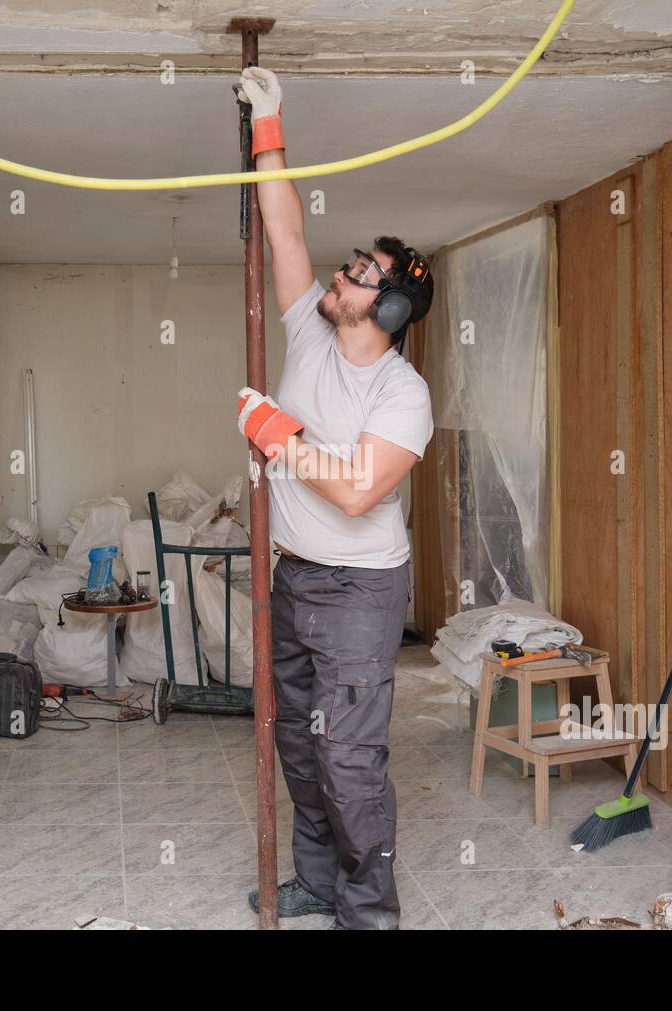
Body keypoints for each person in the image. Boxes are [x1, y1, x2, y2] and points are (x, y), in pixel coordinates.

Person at [233, 66, 435, 930]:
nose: (343, 272)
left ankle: (369, 913)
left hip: (359, 588)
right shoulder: (310, 329)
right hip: (294, 574)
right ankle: (317, 881)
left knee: (349, 759)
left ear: (386, 306)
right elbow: (283, 226)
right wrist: (270, 125)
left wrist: (275, 434)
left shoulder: (403, 395)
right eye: (352, 261)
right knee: (298, 745)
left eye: (362, 272)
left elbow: (357, 492)